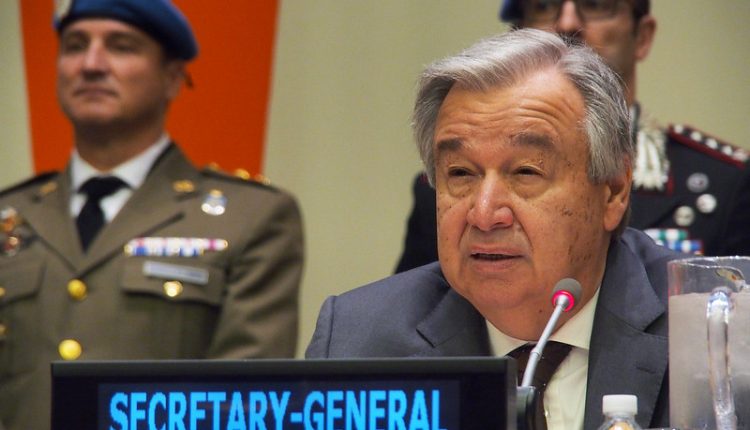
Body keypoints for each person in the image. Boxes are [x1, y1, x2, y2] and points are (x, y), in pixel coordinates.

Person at [307, 29, 677, 429]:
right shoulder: (359, 343)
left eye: (526, 172)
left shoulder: (708, 329)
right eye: (460, 173)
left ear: (614, 191)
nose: (484, 215)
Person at [0, 1, 303, 429]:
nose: (91, 65)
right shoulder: (11, 215)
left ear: (173, 78)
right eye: (75, 46)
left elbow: (241, 404)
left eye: (121, 47)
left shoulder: (250, 218)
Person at [395, 0, 750, 273]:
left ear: (641, 36)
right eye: (543, 6)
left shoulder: (723, 185)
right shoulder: (445, 193)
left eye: (595, 5)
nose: (566, 23)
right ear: (516, 35)